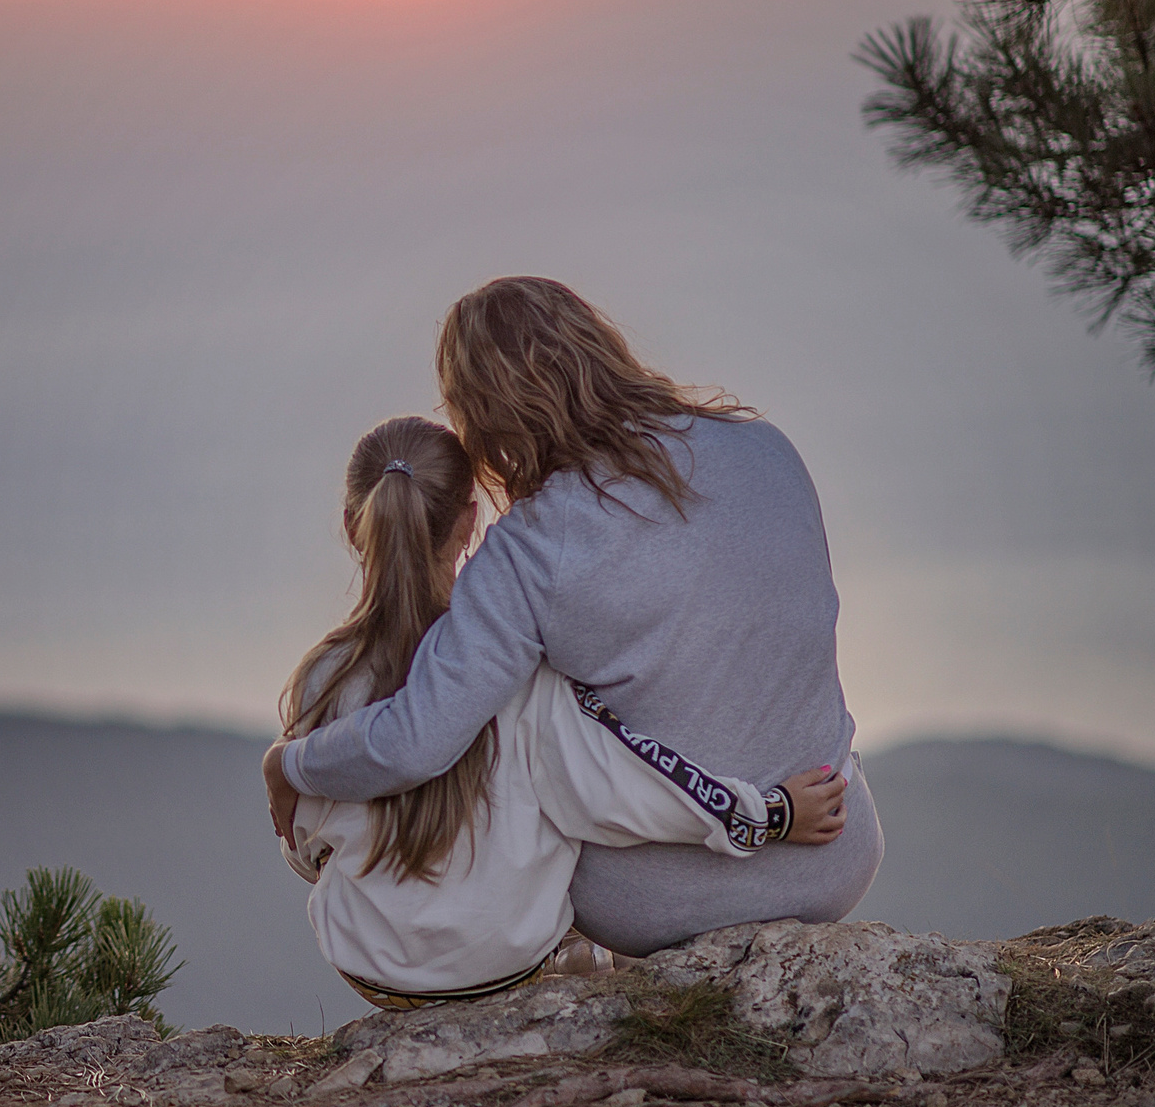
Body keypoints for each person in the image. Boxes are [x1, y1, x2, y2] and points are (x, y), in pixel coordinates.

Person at [265, 277, 883, 958]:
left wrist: (291, 764)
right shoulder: (770, 448)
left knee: (528, 699)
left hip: (654, 902)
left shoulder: (531, 545)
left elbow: (417, 742)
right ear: (601, 346)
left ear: (484, 422)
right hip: (834, 852)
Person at [278, 416, 845, 1005]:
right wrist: (771, 812)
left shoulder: (321, 676)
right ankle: (573, 952)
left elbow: (303, 846)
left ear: (352, 526)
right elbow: (626, 787)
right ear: (471, 524)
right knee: (565, 821)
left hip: (368, 966)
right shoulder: (524, 674)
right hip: (499, 965)